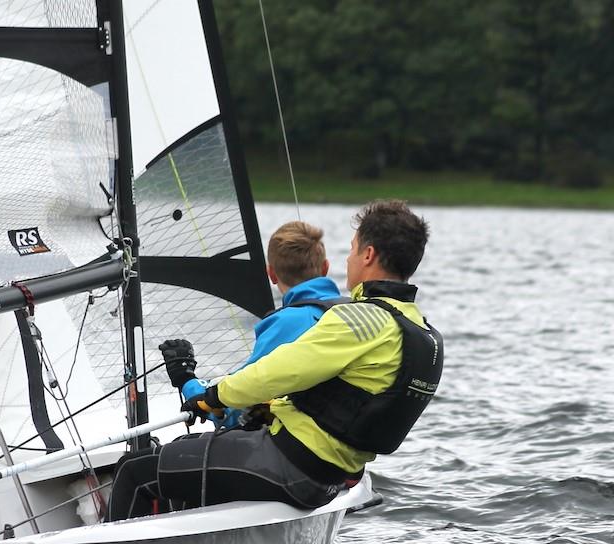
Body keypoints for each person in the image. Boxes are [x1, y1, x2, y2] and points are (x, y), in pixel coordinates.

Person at [107, 199, 443, 521]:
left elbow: (272, 373)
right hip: (333, 475)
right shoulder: (418, 329)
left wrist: (212, 397)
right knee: (183, 461)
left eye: (353, 249)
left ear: (368, 255)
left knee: (134, 471)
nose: (348, 260)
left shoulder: (361, 320)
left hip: (292, 464)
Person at [160, 220, 341, 428]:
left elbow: (237, 405)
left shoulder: (289, 322)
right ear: (326, 267)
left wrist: (186, 379)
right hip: (339, 440)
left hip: (299, 449)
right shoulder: (348, 310)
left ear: (271, 273)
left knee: (145, 461)